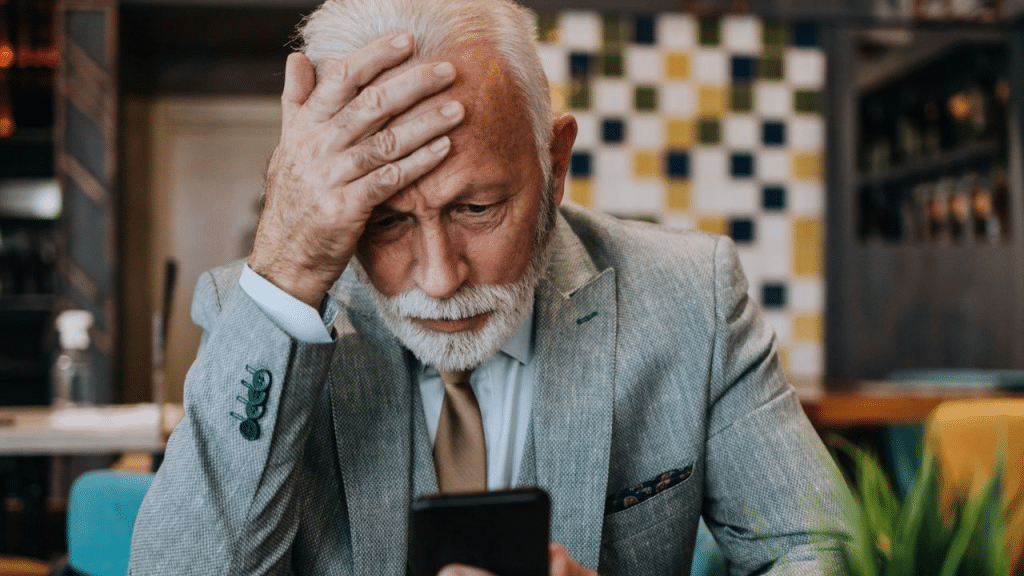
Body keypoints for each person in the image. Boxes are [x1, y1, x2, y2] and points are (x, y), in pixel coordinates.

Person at [128, 0, 850, 574]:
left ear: (555, 164)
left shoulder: (692, 297)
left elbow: (827, 555)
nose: (440, 279)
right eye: (384, 222)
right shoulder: (258, 314)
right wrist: (285, 272)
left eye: (477, 209)